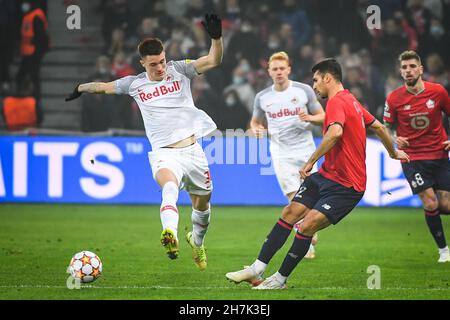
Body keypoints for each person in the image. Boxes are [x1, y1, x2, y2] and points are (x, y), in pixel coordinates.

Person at [226, 58, 409, 289]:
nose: (314, 86)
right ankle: (256, 269)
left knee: (306, 226)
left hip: (347, 186)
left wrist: (310, 162)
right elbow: (379, 127)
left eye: (316, 80)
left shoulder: (336, 102)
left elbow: (334, 134)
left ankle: (279, 280)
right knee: (290, 212)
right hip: (326, 176)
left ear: (328, 78)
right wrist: (393, 153)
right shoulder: (351, 100)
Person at [65, 14, 223, 271]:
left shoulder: (180, 69)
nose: (160, 68)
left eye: (161, 61)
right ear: (142, 63)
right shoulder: (134, 84)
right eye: (153, 65)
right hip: (164, 154)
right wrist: (80, 88)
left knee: (203, 207)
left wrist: (216, 38)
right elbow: (103, 87)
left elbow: (214, 59)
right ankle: (169, 234)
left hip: (194, 152)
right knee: (169, 186)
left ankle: (197, 241)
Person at [250, 51, 325, 258]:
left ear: (289, 69)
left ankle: (307, 229)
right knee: (294, 197)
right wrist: (256, 129)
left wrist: (309, 117)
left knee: (309, 196)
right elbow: (255, 121)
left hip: (306, 151)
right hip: (281, 153)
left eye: (282, 68)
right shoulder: (262, 97)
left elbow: (323, 116)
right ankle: (307, 238)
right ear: (269, 72)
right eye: (275, 69)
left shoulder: (303, 91)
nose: (279, 72)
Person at [384, 50, 450, 263]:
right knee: (430, 203)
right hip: (412, 159)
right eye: (404, 68)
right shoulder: (394, 98)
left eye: (412, 66)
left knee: (445, 206)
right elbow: (385, 126)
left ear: (421, 69)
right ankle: (443, 251)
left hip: (439, 154)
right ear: (400, 72)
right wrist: (395, 138)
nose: (408, 71)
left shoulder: (438, 92)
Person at [16, 0, 49, 108]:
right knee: (23, 76)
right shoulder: (30, 15)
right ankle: (24, 99)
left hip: (33, 52)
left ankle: (35, 102)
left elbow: (40, 37)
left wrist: (37, 54)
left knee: (33, 77)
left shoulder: (35, 16)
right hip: (28, 51)